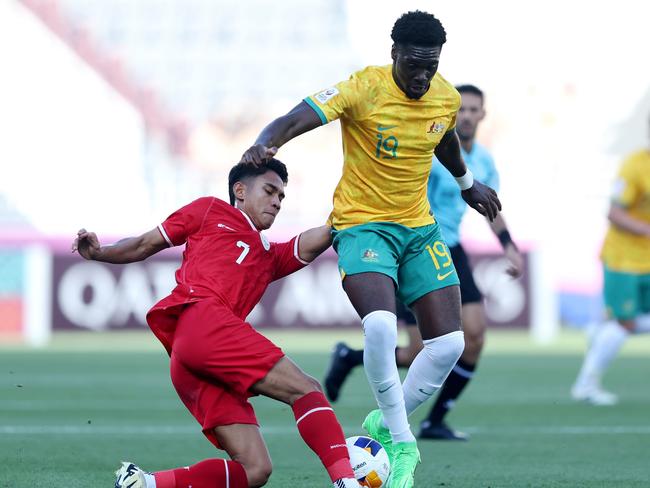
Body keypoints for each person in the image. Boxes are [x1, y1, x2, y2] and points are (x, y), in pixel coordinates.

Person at [240, 11, 502, 487]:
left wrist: (466, 184)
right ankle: (402, 444)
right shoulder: (364, 88)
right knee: (381, 326)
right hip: (362, 226)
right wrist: (264, 143)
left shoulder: (443, 95)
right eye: (414, 66)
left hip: (420, 228)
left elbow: (442, 138)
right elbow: (297, 117)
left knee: (450, 345)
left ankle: (385, 420)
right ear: (394, 54)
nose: (423, 76)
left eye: (432, 66)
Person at [72, 159, 360, 488]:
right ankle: (346, 481)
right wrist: (99, 253)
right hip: (202, 322)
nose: (277, 201)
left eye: (282, 196)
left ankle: (144, 483)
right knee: (306, 389)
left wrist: (352, 210)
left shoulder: (267, 256)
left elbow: (315, 239)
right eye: (269, 191)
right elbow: (144, 244)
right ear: (240, 190)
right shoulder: (210, 210)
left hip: (191, 355)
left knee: (254, 470)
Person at [324, 84, 524, 441]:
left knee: (473, 337)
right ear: (452, 114)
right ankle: (353, 361)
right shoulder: (429, 149)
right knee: (420, 350)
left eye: (473, 110)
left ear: (482, 115)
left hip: (451, 248)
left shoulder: (483, 160)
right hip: (412, 245)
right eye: (461, 109)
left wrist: (508, 245)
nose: (466, 115)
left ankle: (435, 420)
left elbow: (488, 206)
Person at [571, 119, 650, 406]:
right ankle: (585, 385)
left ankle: (598, 332)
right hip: (624, 259)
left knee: (623, 324)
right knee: (625, 323)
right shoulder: (635, 166)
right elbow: (614, 213)